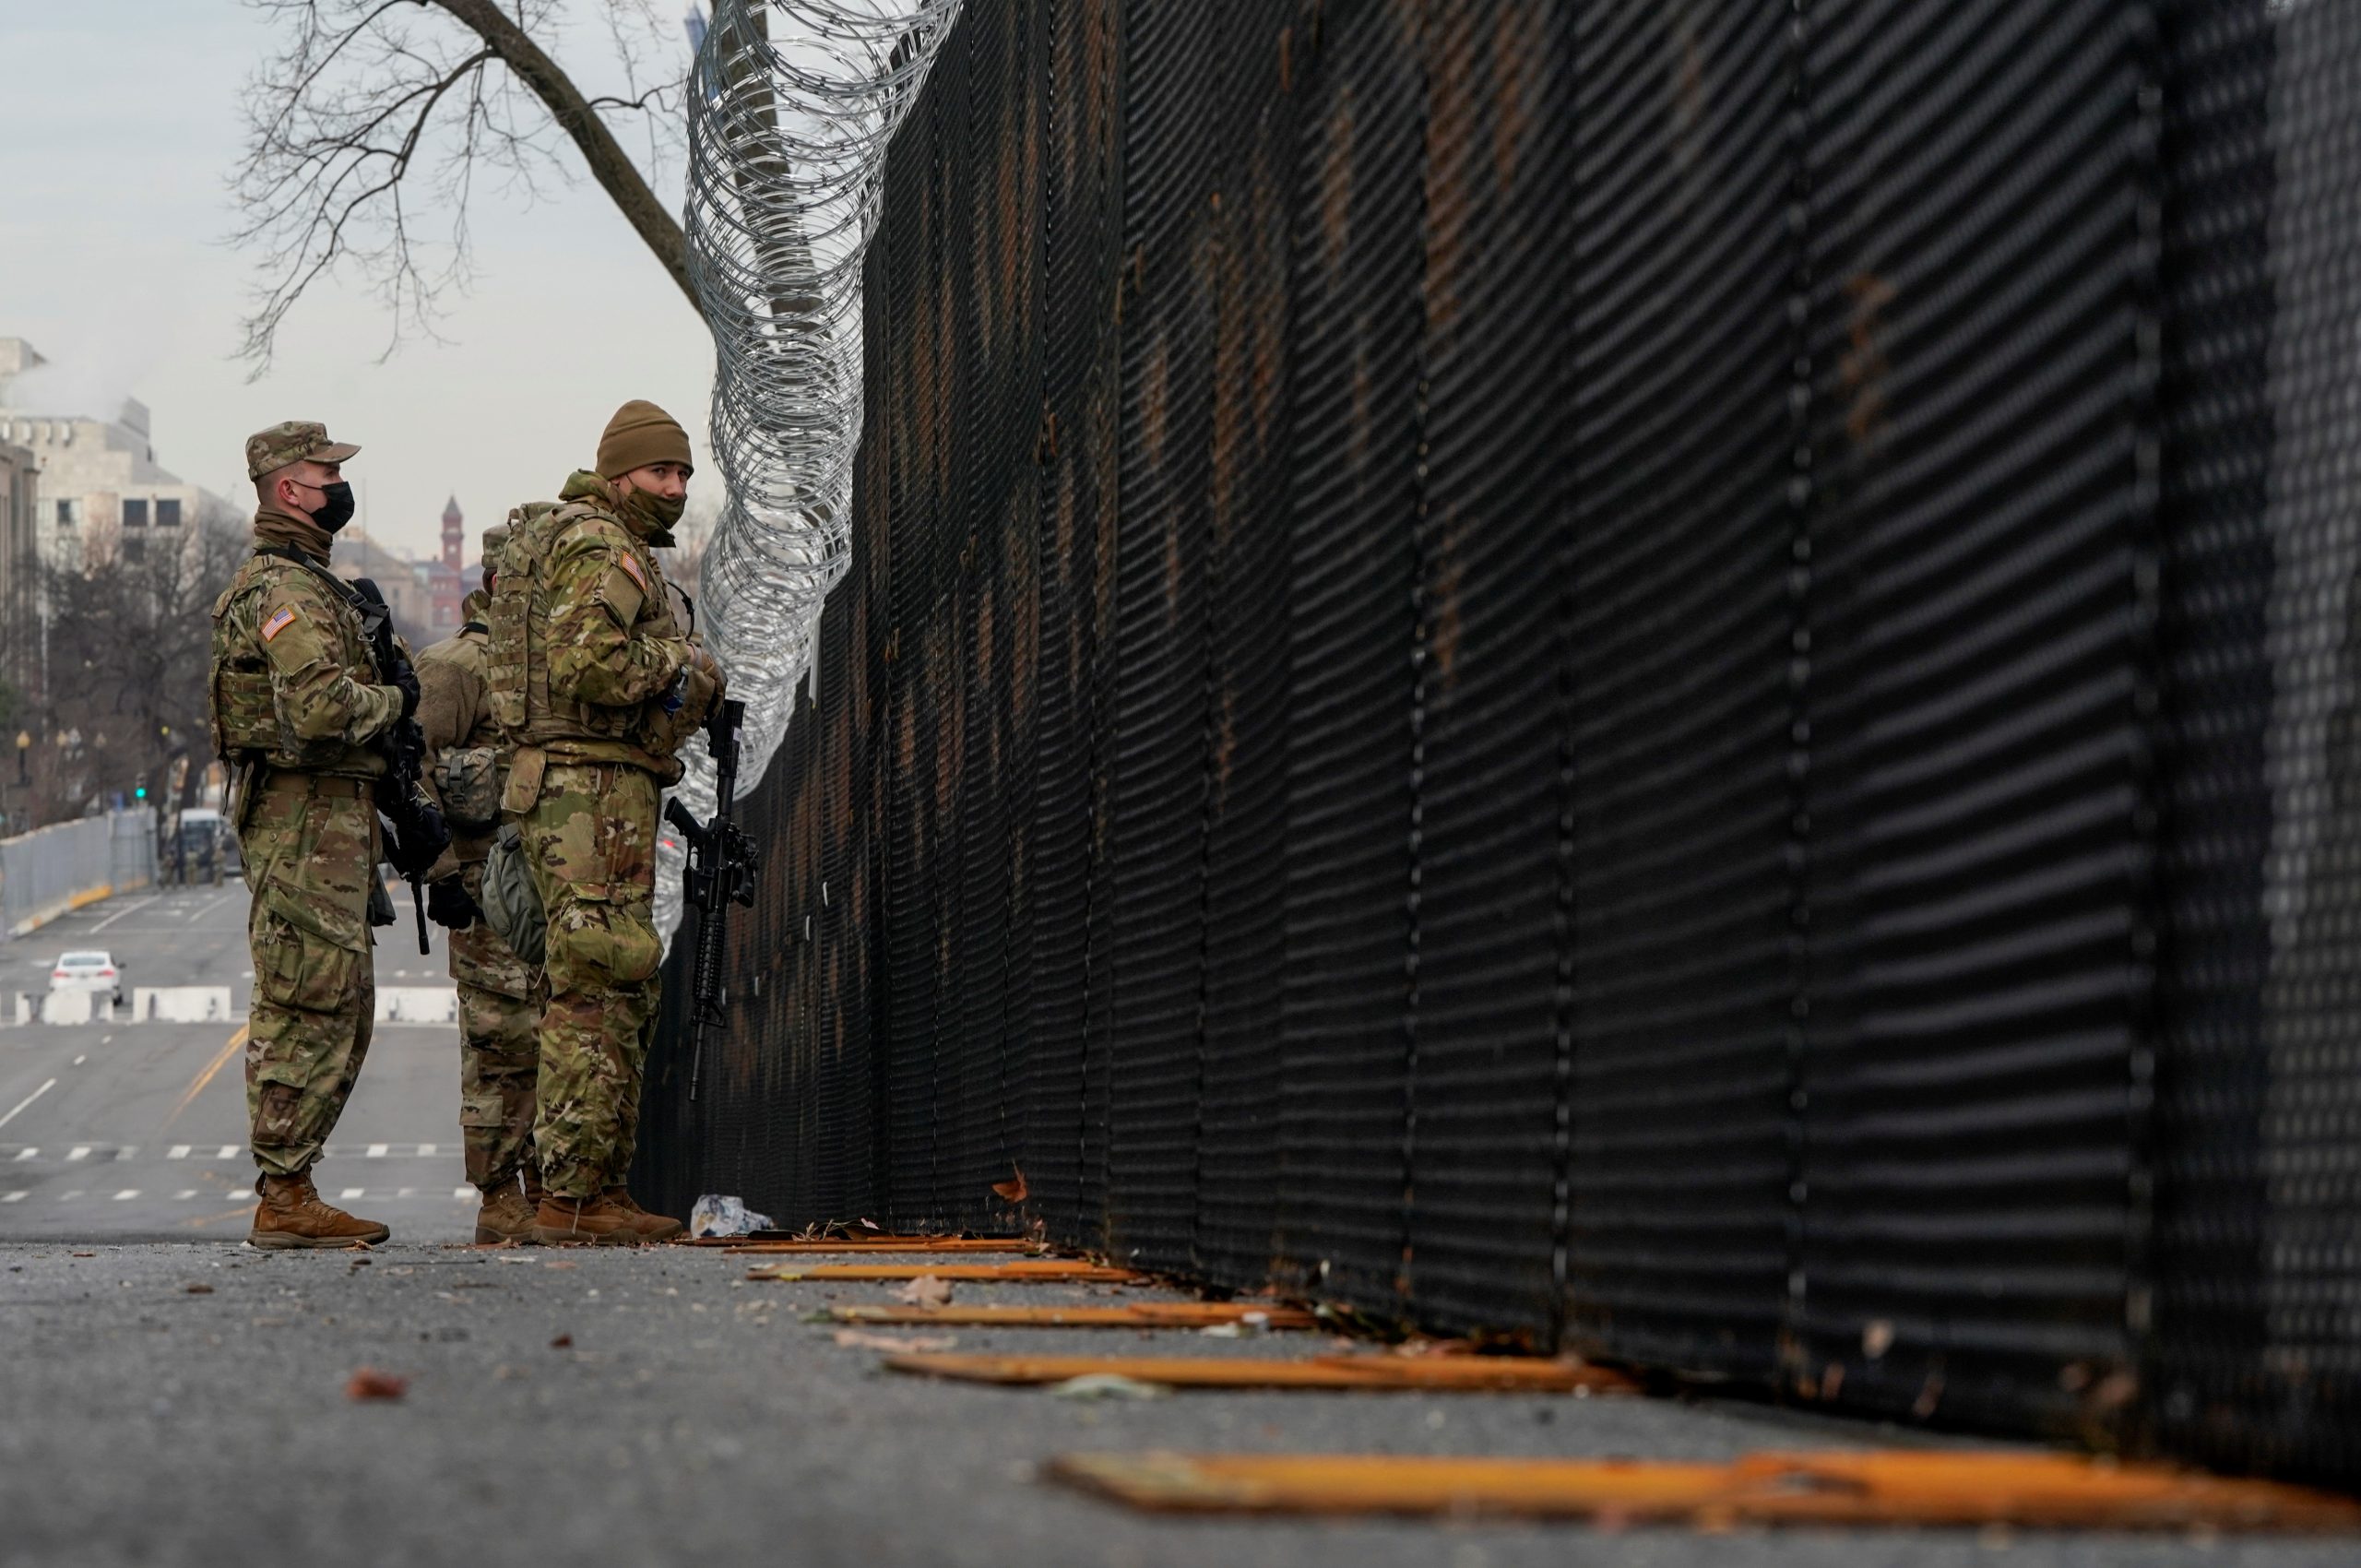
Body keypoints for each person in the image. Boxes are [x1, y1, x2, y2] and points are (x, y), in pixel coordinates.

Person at [489, 400, 723, 1245]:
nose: (675, 488)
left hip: (594, 788)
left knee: (613, 980)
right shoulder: (602, 543)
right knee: (598, 980)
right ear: (620, 471)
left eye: (685, 475)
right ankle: (576, 1196)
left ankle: (596, 1189)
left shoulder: (594, 538)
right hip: (588, 791)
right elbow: (588, 659)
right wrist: (686, 666)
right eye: (662, 473)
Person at [207, 421, 414, 1248]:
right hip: (301, 821)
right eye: (325, 471)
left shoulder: (311, 582)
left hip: (327, 820)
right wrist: (398, 704)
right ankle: (285, 1194)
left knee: (339, 1001)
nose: (338, 483)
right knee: (307, 998)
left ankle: (292, 1187)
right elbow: (323, 712)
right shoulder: (283, 593)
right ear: (290, 489)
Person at [416, 524, 543, 1243]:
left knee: (558, 1039)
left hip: (550, 887)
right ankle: (500, 1196)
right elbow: (414, 769)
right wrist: (439, 872)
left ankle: (552, 1190)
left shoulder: (546, 668)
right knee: (500, 1045)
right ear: (500, 585)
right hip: (486, 886)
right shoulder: (456, 668)